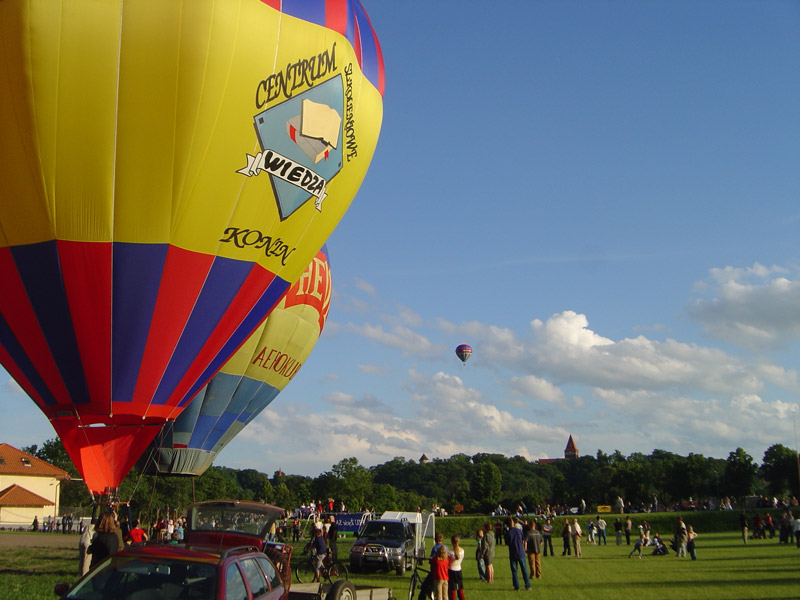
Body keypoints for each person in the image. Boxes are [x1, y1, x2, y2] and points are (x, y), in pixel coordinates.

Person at [504, 517, 530, 591]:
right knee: (524, 570)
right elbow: (523, 540)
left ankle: (516, 586)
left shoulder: (508, 533)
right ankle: (527, 585)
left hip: (513, 553)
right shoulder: (519, 531)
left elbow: (507, 543)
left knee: (514, 571)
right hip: (521, 552)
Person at [448, 535, 466, 600]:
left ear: (451, 542)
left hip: (451, 571)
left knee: (452, 590)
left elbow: (448, 562)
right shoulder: (462, 551)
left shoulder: (450, 552)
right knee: (460, 589)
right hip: (459, 570)